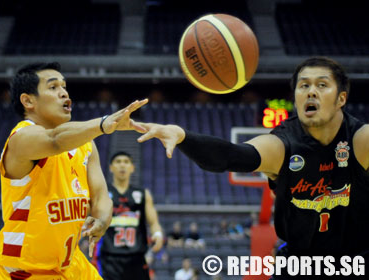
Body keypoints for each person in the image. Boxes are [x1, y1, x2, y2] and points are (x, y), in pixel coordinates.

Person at [136, 57, 369, 277]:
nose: (311, 91)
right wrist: (183, 136)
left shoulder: (360, 140)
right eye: (303, 85)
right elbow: (232, 156)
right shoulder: (283, 144)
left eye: (322, 85)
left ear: (341, 98)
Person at [0, 62, 148, 279]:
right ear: (28, 100)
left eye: (64, 86)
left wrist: (102, 220)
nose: (64, 92)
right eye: (53, 87)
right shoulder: (21, 139)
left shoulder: (84, 145)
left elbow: (101, 197)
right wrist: (104, 124)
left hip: (72, 265)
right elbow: (54, 140)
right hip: (27, 270)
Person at [97, 151, 164, 280]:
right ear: (111, 168)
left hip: (137, 258)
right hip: (110, 259)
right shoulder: (103, 193)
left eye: (126, 162)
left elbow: (153, 222)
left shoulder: (143, 194)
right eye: (118, 162)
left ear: (132, 168)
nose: (122, 165)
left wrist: (157, 234)